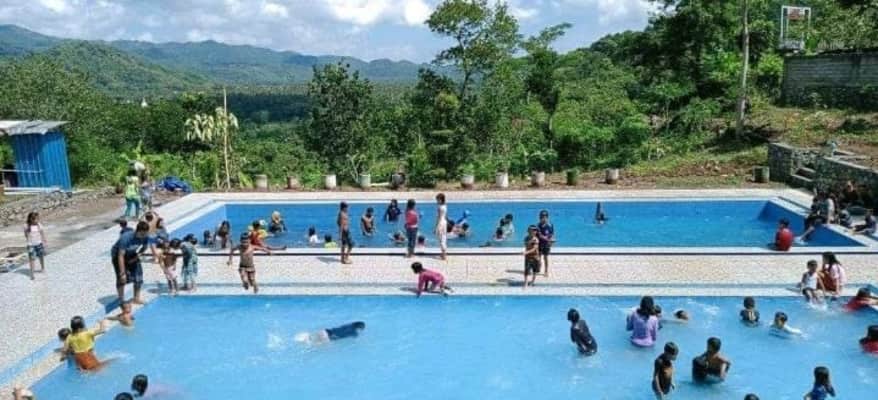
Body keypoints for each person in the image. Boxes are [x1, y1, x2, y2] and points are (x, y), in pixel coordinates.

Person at [112, 221, 150, 305]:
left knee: (138, 277)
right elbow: (120, 256)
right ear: (137, 231)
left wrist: (136, 257)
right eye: (142, 234)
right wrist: (122, 273)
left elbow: (144, 248)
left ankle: (136, 298)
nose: (143, 236)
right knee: (122, 279)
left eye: (145, 234)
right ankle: (121, 300)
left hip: (132, 254)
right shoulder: (126, 237)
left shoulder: (145, 237)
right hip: (117, 255)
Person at [295, 321, 367, 345]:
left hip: (325, 331)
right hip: (328, 338)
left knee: (309, 338)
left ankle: (302, 339)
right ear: (359, 328)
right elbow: (356, 338)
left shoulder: (349, 324)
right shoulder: (354, 333)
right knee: (314, 345)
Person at [24, 211, 47, 280]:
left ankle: (43, 268)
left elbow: (42, 233)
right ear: (30, 219)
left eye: (37, 219)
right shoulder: (26, 226)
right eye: (35, 219)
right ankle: (32, 273)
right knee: (32, 259)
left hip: (39, 244)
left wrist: (44, 241)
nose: (36, 220)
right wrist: (29, 241)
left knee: (41, 256)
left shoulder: (39, 225)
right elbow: (26, 235)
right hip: (31, 245)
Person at [537, 210, 555, 277]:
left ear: (547, 217)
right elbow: (540, 235)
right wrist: (548, 239)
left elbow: (552, 234)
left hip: (546, 244)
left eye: (545, 217)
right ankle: (539, 265)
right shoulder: (538, 225)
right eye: (542, 217)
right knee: (538, 257)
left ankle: (546, 271)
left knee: (546, 257)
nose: (543, 219)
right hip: (540, 243)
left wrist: (552, 240)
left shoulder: (550, 225)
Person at [523, 225, 540, 289]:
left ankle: (532, 281)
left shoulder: (536, 239)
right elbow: (526, 244)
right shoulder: (526, 238)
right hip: (528, 257)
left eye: (534, 231)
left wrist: (526, 252)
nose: (533, 232)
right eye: (531, 230)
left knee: (534, 271)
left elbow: (534, 248)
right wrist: (530, 243)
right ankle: (525, 283)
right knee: (526, 270)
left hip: (535, 256)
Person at [435, 193, 448, 260]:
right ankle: (443, 253)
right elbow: (445, 216)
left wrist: (436, 227)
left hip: (441, 223)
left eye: (437, 199)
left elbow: (439, 218)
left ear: (440, 199)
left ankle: (443, 255)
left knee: (441, 239)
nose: (436, 201)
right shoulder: (445, 206)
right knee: (443, 238)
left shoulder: (440, 207)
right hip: (444, 222)